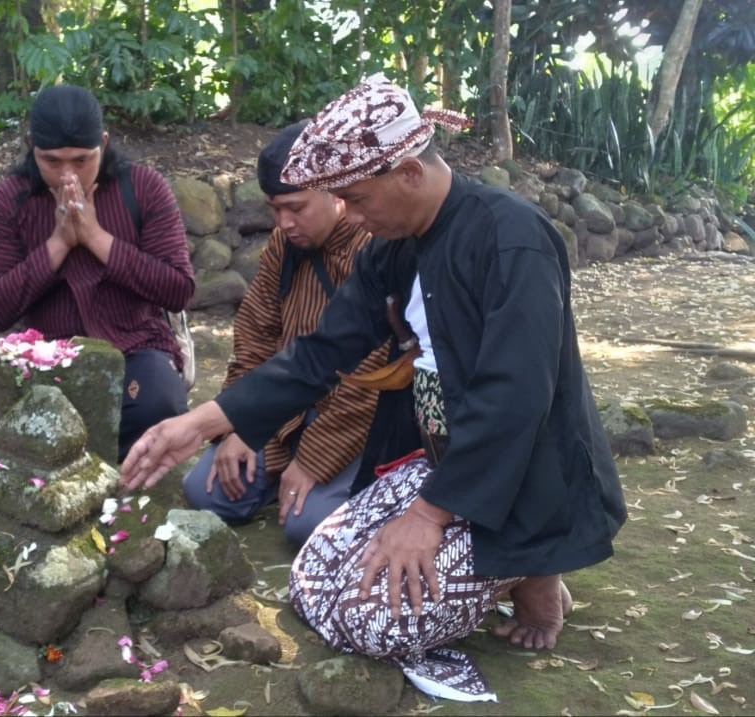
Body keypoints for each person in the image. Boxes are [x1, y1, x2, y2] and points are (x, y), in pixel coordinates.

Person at [120, 74, 626, 701]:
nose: (351, 217)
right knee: (311, 579)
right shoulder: (396, 245)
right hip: (440, 460)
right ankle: (495, 566)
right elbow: (319, 355)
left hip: (522, 474)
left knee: (371, 621)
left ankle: (531, 568)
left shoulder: (511, 239)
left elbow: (515, 398)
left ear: (409, 171)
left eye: (356, 199)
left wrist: (428, 515)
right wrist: (201, 423)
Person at [181, 120, 387, 546]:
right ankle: (283, 470)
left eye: (296, 207)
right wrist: (238, 424)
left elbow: (371, 377)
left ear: (335, 192)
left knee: (307, 527)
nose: (285, 222)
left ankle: (329, 482)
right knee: (206, 491)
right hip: (286, 406)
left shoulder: (373, 247)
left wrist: (314, 459)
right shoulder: (282, 245)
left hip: (355, 419)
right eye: (276, 209)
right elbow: (255, 336)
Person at [0, 84, 195, 460]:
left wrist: (95, 237)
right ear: (31, 146)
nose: (66, 176)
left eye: (81, 160)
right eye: (52, 161)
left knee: (157, 408)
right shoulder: (8, 201)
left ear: (103, 144)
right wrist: (58, 244)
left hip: (135, 346)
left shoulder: (143, 189)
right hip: (45, 353)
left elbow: (179, 289)